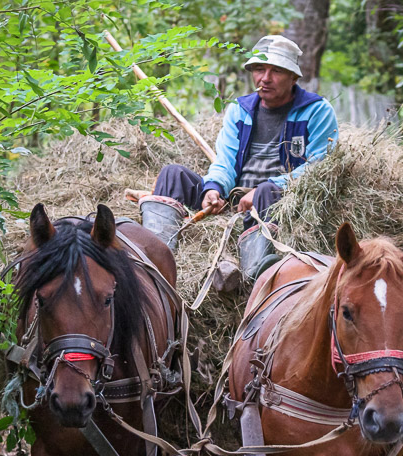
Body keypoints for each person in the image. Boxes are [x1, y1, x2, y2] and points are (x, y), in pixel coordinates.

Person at [138, 35, 339, 283]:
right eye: (259, 69)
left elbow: (318, 168)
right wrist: (213, 189)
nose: (265, 78)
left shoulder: (317, 111)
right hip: (237, 199)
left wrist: (265, 189)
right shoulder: (240, 110)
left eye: (276, 71)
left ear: (293, 77)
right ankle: (154, 262)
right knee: (172, 175)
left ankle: (254, 275)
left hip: (280, 201)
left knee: (267, 190)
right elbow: (225, 161)